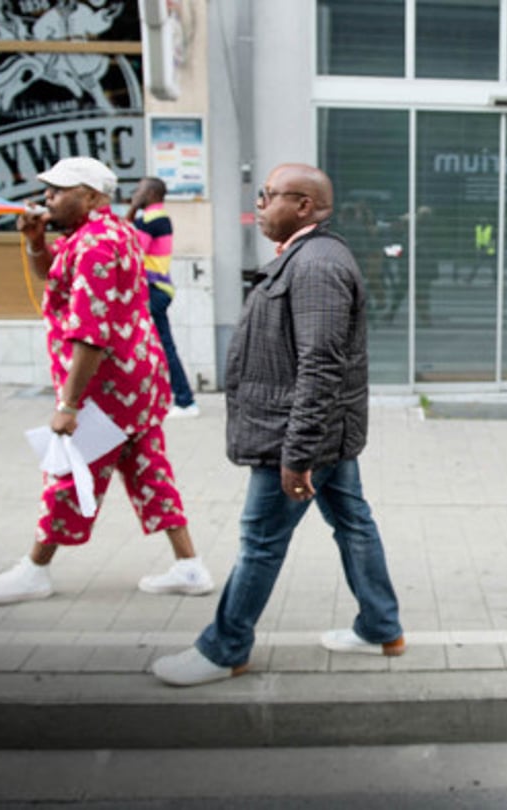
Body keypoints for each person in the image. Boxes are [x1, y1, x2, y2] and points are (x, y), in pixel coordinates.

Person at [151, 163, 405, 687]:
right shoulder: (306, 258)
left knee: (261, 542)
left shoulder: (314, 267)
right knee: (354, 522)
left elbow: (321, 364)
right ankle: (381, 627)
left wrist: (298, 453)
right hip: (319, 435)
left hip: (298, 439)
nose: (260, 206)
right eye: (260, 195)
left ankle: (225, 649)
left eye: (269, 196)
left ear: (305, 206)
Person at [0, 157, 214, 605]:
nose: (48, 198)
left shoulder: (96, 245)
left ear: (94, 197)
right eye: (49, 190)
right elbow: (52, 275)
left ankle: (35, 569)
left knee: (68, 472)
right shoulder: (104, 233)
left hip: (107, 388)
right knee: (149, 471)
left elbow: (90, 334)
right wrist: (36, 245)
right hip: (136, 381)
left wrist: (69, 405)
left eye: (61, 190)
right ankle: (190, 565)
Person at [125, 176, 199, 418]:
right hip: (155, 289)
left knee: (162, 346)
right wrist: (134, 208)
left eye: (140, 190)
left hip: (153, 290)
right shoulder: (151, 217)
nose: (136, 193)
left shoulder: (152, 219)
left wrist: (134, 207)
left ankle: (185, 401)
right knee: (153, 346)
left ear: (152, 194)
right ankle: (173, 398)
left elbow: (131, 251)